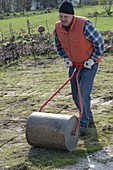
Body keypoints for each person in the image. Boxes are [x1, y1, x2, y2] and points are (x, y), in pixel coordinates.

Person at [54, 0, 104, 136]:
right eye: (61, 16)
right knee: (76, 96)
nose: (63, 19)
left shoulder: (84, 25)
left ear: (72, 16)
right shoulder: (58, 27)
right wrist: (66, 57)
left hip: (89, 65)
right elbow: (58, 46)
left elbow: (99, 42)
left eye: (66, 17)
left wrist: (92, 59)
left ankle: (83, 124)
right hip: (74, 65)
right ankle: (90, 119)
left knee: (83, 94)